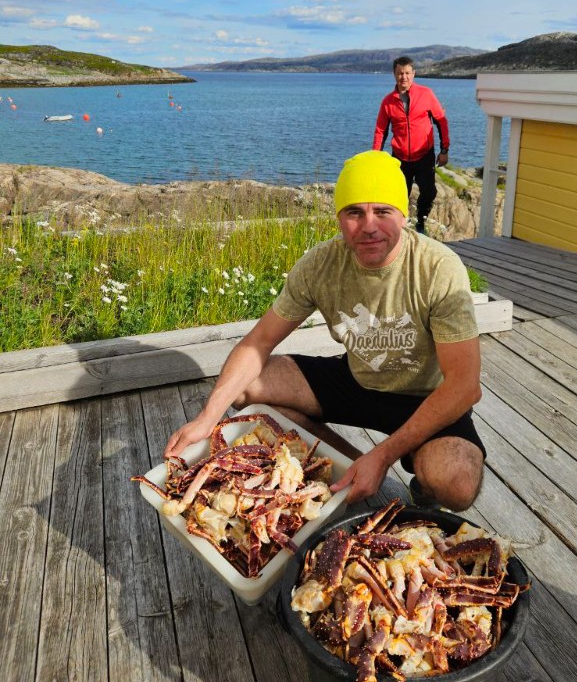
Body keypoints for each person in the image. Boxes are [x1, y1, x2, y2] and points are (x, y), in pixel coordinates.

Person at [165, 150, 485, 511]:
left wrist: (383, 456)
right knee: (247, 389)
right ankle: (347, 463)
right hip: (358, 380)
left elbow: (464, 384)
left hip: (425, 396)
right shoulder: (320, 264)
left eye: (383, 211)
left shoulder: (438, 268)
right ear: (338, 217)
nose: (368, 226)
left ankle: (413, 489)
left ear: (404, 214)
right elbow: (258, 343)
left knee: (455, 483)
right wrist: (207, 419)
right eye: (354, 212)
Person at [372, 55, 450, 235]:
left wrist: (444, 149)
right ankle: (400, 228)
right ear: (394, 74)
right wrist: (376, 156)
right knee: (399, 195)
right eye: (400, 73)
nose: (403, 77)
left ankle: (421, 222)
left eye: (407, 73)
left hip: (424, 155)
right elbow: (380, 131)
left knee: (429, 192)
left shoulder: (426, 94)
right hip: (400, 158)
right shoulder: (388, 102)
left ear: (413, 74)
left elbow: (441, 121)